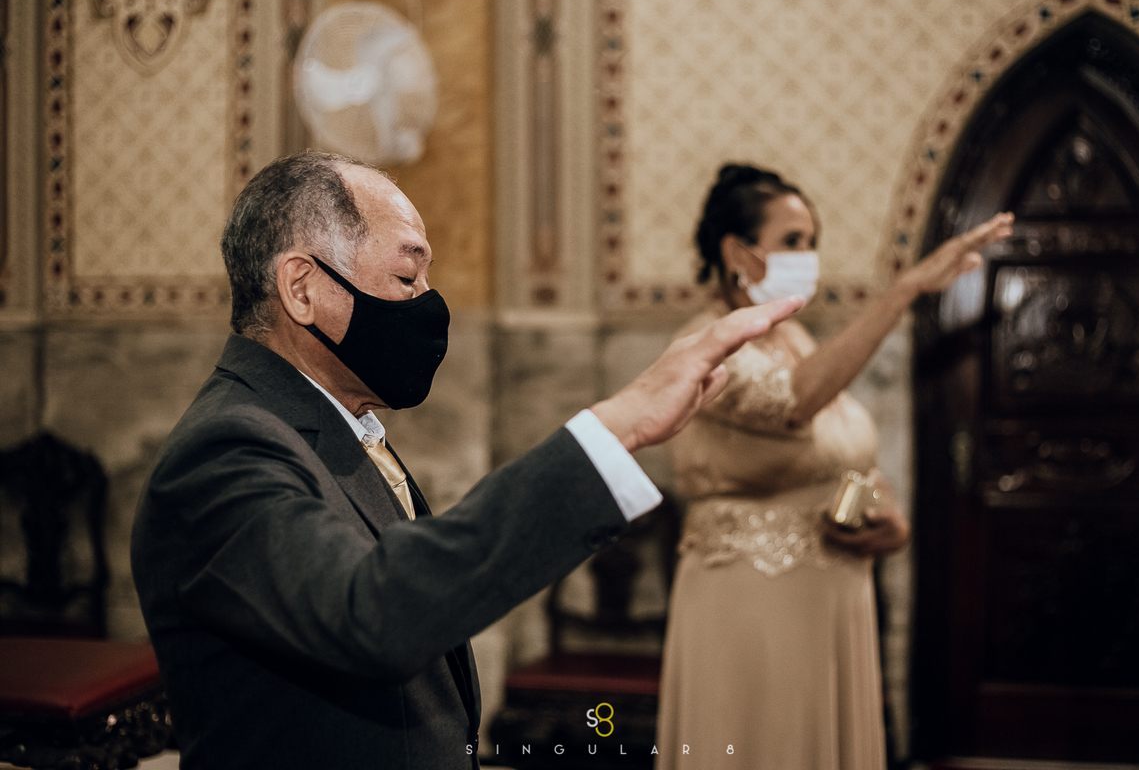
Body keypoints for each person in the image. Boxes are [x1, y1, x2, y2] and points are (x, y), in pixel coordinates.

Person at [129, 151, 803, 770]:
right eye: (406, 274)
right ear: (302, 288)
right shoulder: (225, 450)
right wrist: (613, 427)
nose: (429, 303)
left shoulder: (332, 420)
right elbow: (375, 610)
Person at [654, 164, 1013, 770]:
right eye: (792, 241)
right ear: (738, 252)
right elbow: (796, 403)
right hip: (752, 599)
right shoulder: (708, 344)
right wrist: (903, 292)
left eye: (813, 241)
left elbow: (842, 451)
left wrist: (887, 518)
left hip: (829, 596)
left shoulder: (793, 337)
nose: (808, 256)